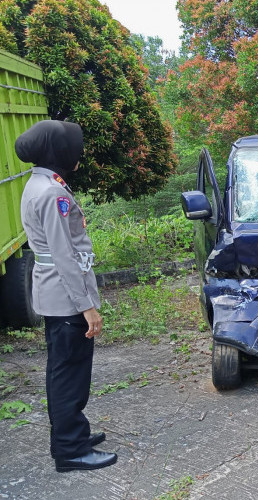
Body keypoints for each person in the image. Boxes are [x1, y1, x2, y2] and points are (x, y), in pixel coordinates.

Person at [15, 120, 117, 472]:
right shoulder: (52, 193)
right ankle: (70, 451)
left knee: (62, 372)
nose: (79, 152)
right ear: (58, 153)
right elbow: (64, 256)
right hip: (66, 297)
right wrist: (88, 307)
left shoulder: (40, 183)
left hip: (55, 293)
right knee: (69, 376)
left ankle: (71, 435)